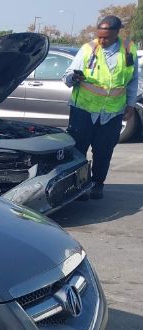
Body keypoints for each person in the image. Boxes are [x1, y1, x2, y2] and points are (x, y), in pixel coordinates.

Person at [62, 15, 138, 200]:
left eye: (106, 37)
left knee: (104, 151)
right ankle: (77, 186)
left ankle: (97, 184)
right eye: (99, 36)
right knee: (78, 150)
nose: (101, 40)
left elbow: (132, 80)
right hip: (84, 109)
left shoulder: (128, 49)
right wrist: (73, 78)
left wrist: (130, 104)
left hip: (112, 112)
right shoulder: (88, 49)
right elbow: (67, 76)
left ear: (116, 34)